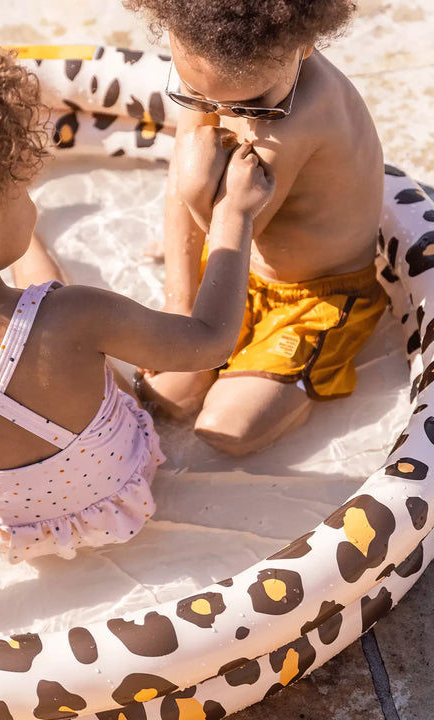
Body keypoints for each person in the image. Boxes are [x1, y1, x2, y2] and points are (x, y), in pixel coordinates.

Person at [0, 27, 273, 631]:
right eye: (24, 195)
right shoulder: (80, 315)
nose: (31, 200)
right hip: (123, 492)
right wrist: (234, 217)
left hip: (13, 530)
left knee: (25, 306)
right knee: (50, 308)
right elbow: (206, 341)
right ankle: (17, 264)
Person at [127, 0, 389, 456]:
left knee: (225, 430)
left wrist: (195, 191)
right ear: (172, 36)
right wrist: (180, 306)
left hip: (316, 296)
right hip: (238, 272)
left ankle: (299, 383)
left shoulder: (297, 120)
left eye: (252, 106)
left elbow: (233, 230)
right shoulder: (214, 72)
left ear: (303, 47)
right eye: (198, 96)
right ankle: (228, 366)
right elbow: (181, 192)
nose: (226, 111)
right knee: (161, 399)